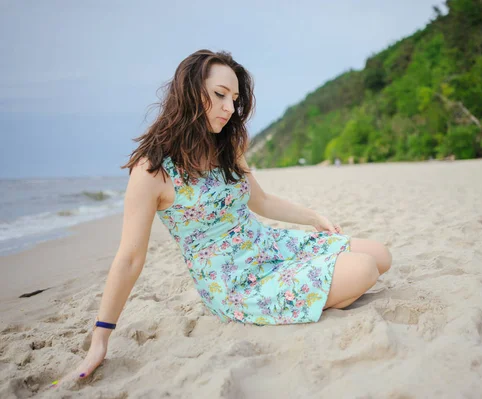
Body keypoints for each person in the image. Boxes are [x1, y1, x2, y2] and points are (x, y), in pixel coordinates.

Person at [57, 49, 392, 385]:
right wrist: (100, 338)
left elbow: (259, 199)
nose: (230, 108)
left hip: (270, 245)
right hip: (235, 282)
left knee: (381, 255)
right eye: (219, 95)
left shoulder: (225, 147)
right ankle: (307, 299)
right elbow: (129, 258)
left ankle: (312, 298)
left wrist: (313, 216)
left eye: (234, 98)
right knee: (364, 268)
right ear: (189, 92)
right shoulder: (152, 171)